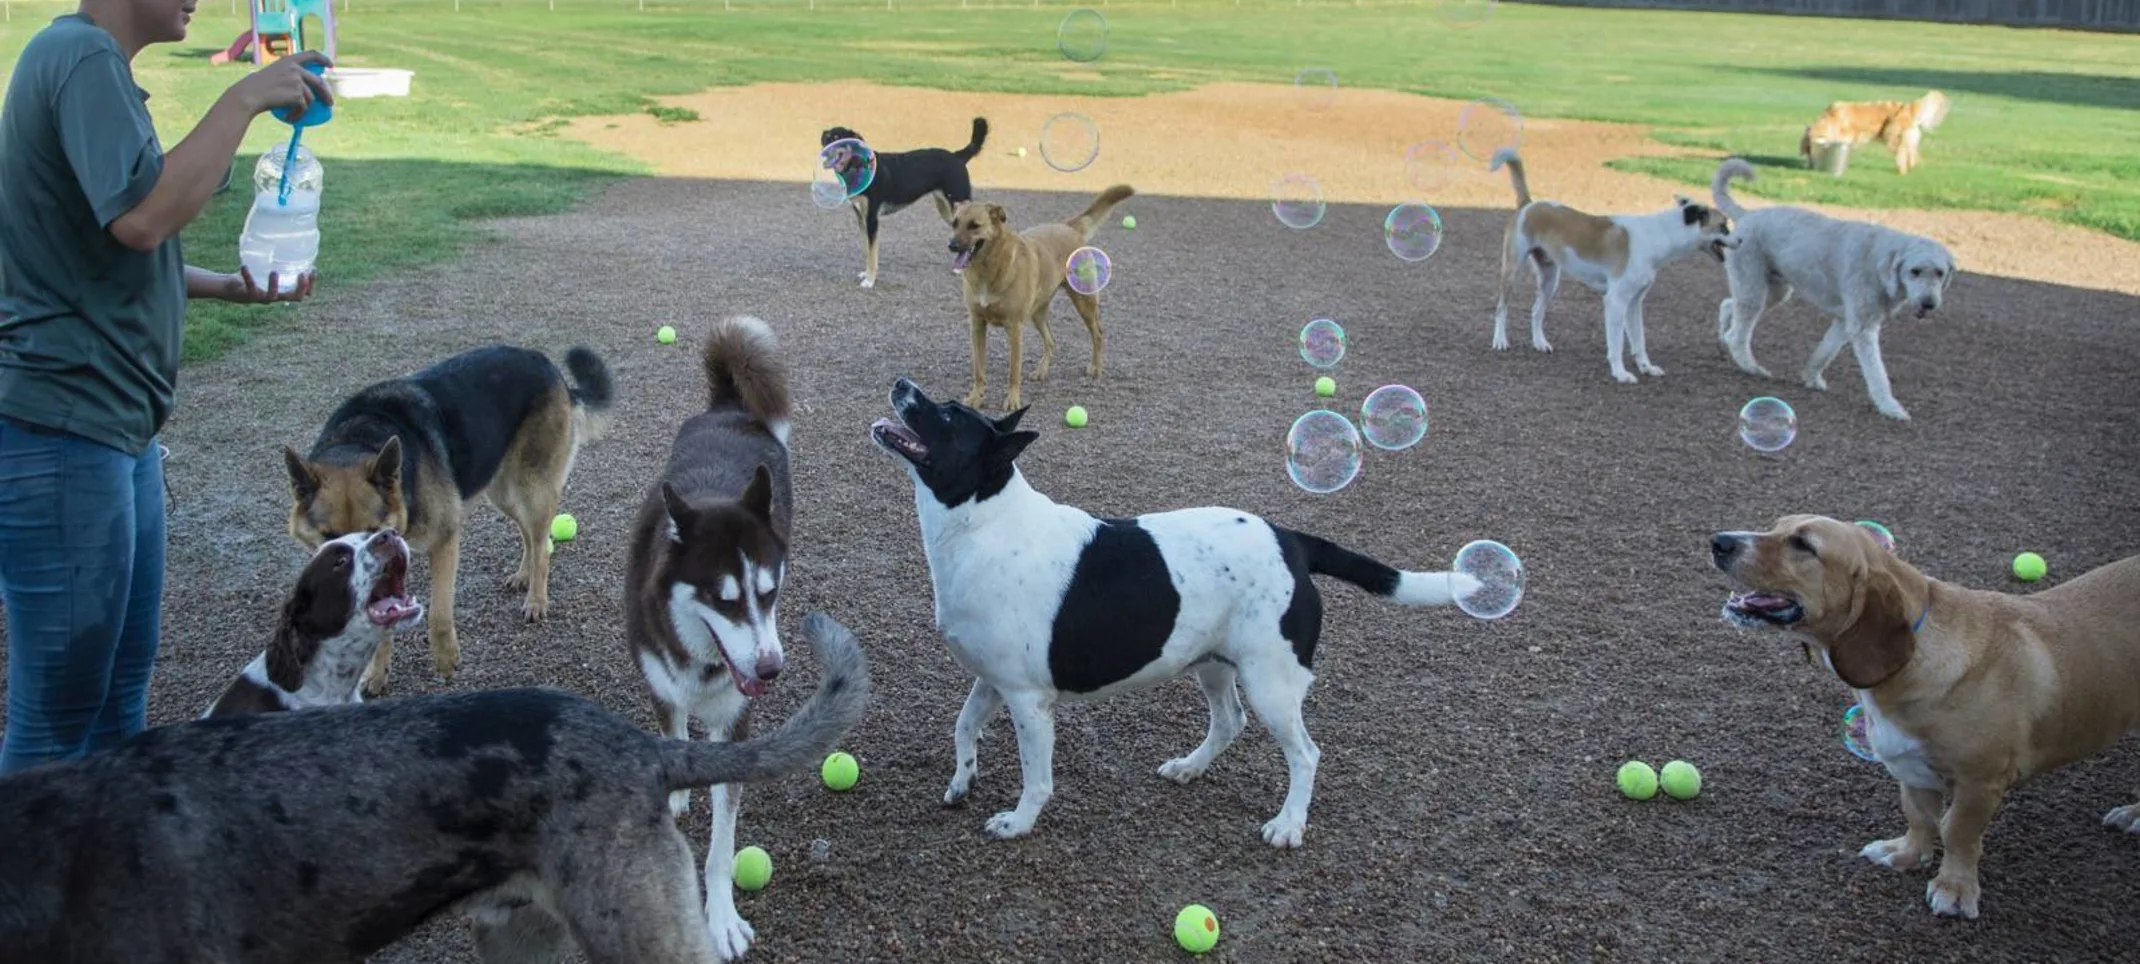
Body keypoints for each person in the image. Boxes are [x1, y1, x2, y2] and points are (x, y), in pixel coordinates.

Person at [0, 0, 334, 773]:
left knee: (119, 697)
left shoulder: (96, 67)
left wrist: (229, 286)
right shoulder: (81, 58)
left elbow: (104, 252)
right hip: (62, 427)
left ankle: (110, 852)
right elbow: (145, 218)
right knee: (57, 725)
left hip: (113, 429)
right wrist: (242, 98)